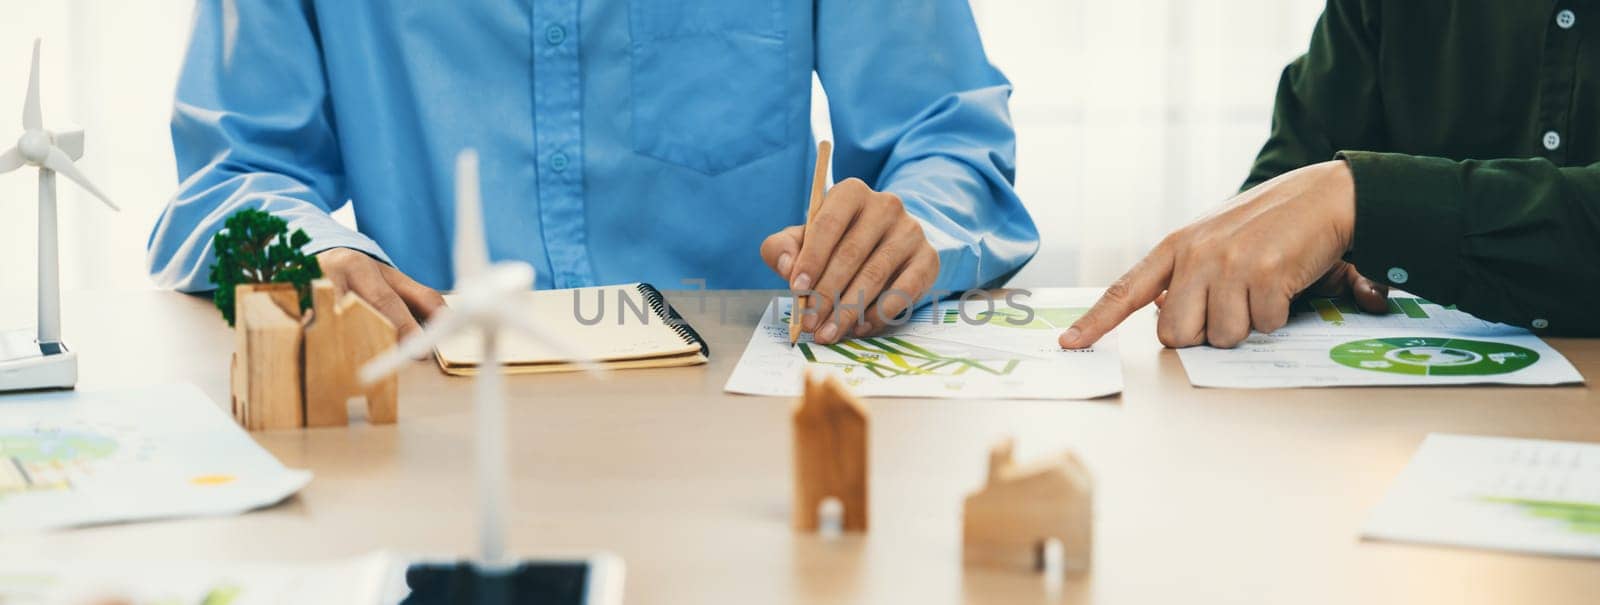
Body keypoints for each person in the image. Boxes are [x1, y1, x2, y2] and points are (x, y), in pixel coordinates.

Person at [147, 1, 1039, 343]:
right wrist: (304, 254)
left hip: (744, 441)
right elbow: (232, 177)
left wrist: (913, 227)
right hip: (428, 430)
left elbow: (948, 141)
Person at [1060, 0, 1600, 350]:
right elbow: (1292, 181)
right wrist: (1288, 253)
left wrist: (1362, 203)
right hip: (1400, 439)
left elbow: (1330, 196)